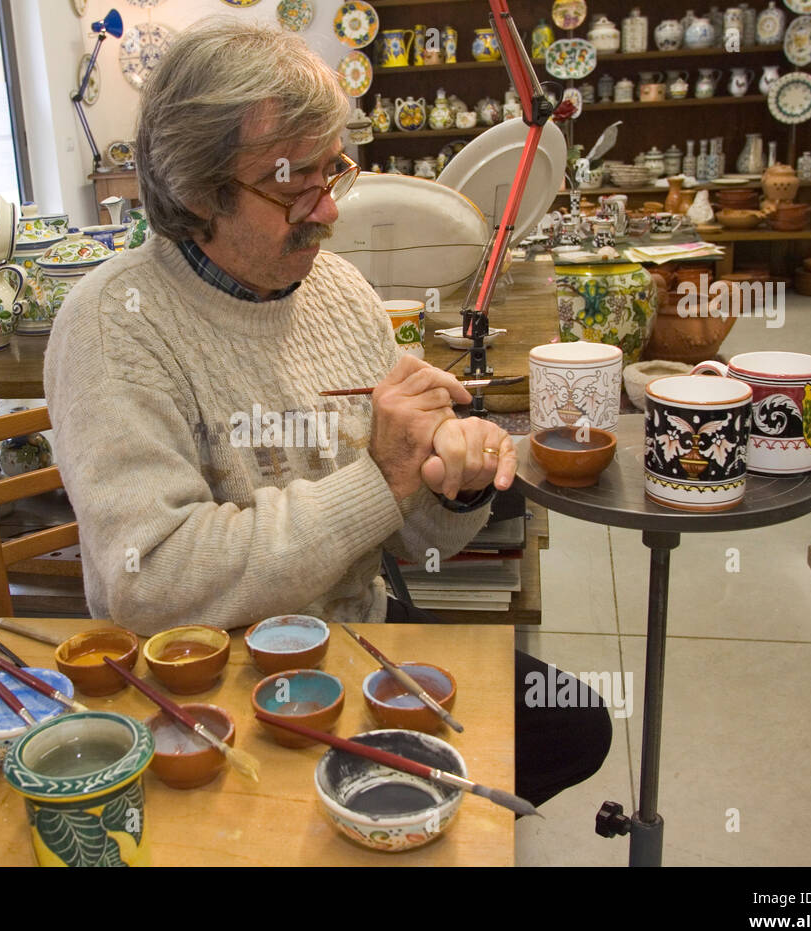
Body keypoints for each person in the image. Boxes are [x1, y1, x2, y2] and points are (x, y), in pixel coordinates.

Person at [45, 19, 609, 807]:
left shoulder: (336, 289)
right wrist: (379, 479)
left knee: (576, 726)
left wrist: (451, 481)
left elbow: (413, 534)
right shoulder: (115, 323)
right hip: (215, 684)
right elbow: (155, 580)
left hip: (350, 637)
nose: (328, 211)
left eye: (332, 171)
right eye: (292, 185)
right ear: (196, 192)